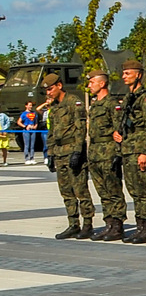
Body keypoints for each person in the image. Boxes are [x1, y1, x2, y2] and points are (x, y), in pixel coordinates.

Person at [42, 72, 94, 238]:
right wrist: (50, 154)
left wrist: (78, 151)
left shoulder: (74, 102)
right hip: (59, 154)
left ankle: (87, 224)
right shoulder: (54, 107)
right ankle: (73, 224)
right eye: (46, 90)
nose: (48, 93)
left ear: (59, 85)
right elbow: (52, 132)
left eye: (50, 89)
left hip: (72, 151)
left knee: (80, 190)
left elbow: (80, 128)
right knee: (66, 191)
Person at [112, 60, 146, 243]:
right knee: (133, 190)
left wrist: (145, 151)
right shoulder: (129, 97)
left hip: (139, 150)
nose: (124, 77)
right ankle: (140, 227)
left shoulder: (145, 98)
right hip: (128, 149)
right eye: (123, 73)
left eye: (128, 73)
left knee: (142, 190)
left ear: (138, 75)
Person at [84, 71, 126, 240]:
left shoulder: (112, 104)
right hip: (95, 152)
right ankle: (109, 223)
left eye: (92, 82)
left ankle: (117, 225)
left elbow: (118, 130)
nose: (89, 86)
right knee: (102, 191)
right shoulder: (94, 105)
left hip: (108, 151)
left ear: (102, 84)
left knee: (113, 190)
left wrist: (118, 153)